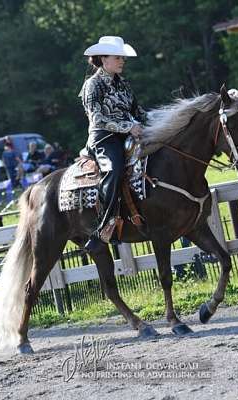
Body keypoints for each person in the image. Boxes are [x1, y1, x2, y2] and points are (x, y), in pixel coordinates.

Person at [79, 36, 147, 252]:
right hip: (103, 138)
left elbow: (139, 112)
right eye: (118, 57)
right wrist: (128, 127)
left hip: (129, 135)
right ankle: (104, 228)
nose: (122, 61)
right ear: (103, 59)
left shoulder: (123, 83)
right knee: (114, 169)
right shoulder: (93, 85)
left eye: (122, 58)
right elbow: (97, 119)